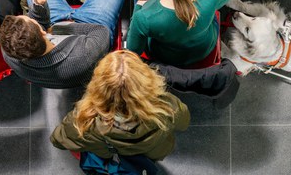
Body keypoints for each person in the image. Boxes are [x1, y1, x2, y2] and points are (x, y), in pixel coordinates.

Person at [0, 0, 130, 88]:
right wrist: (58, 29)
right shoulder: (82, 56)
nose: (30, 15)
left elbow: (41, 26)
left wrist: (38, 5)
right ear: (43, 33)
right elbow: (101, 31)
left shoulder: (11, 50)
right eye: (31, 18)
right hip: (92, 26)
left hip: (53, 23)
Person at [50, 50, 190, 161]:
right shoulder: (167, 107)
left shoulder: (84, 121)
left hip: (108, 154)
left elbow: (57, 139)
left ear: (98, 86)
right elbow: (184, 122)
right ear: (146, 80)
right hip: (151, 154)